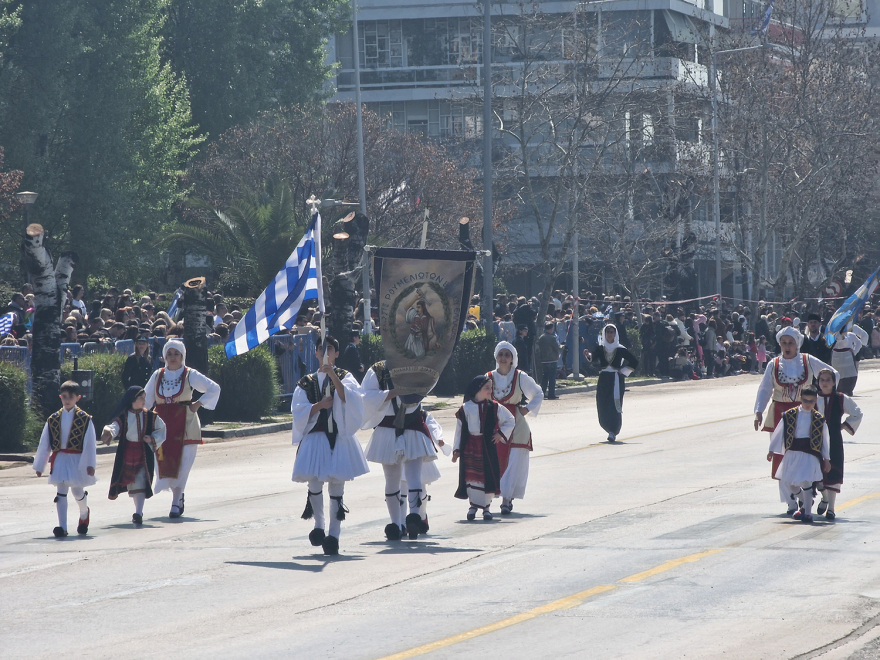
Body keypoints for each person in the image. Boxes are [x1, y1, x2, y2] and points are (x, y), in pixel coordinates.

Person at [291, 336, 367, 555]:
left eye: (330, 349)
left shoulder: (346, 377)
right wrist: (319, 405)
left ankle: (334, 535)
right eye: (321, 349)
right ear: (315, 353)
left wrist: (333, 376)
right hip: (316, 437)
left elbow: (351, 399)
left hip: (339, 438)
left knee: (336, 486)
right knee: (314, 483)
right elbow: (299, 410)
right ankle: (319, 525)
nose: (325, 352)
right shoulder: (306, 382)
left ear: (336, 354)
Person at [754, 326, 836, 511]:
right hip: (780, 413)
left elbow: (831, 374)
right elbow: (765, 388)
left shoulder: (807, 360)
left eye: (790, 343)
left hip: (806, 412)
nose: (787, 346)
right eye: (783, 343)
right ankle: (791, 501)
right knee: (781, 456)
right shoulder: (774, 364)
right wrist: (759, 410)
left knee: (809, 454)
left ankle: (809, 493)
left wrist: (826, 397)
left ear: (797, 344)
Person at [360, 360, 442, 540]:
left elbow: (430, 384)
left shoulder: (418, 363)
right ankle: (397, 523)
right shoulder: (378, 369)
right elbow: (366, 397)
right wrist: (394, 393)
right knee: (393, 478)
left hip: (412, 422)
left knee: (413, 476)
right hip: (388, 427)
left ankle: (411, 517)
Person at [144, 339, 221, 519]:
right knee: (164, 462)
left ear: (182, 356)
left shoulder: (189, 374)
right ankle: (177, 496)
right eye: (169, 354)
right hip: (162, 424)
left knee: (183, 463)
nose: (172, 357)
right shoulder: (157, 375)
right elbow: (146, 399)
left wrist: (198, 404)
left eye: (176, 354)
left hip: (185, 423)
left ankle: (176, 501)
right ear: (164, 356)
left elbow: (213, 388)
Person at [32, 381, 98, 537]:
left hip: (77, 459)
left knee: (77, 491)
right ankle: (62, 526)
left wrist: (90, 464)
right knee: (61, 492)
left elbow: (90, 443)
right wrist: (40, 465)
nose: (67, 400)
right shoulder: (53, 419)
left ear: (78, 398)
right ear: (60, 397)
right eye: (64, 397)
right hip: (60, 458)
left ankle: (84, 514)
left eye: (71, 397)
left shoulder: (85, 419)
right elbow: (45, 443)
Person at [487, 341, 543, 515]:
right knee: (491, 460)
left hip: (516, 424)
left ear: (512, 358)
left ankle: (507, 499)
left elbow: (538, 393)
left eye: (507, 355)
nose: (503, 358)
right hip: (494, 423)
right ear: (496, 357)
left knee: (513, 462)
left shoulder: (520, 377)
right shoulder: (488, 376)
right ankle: (486, 499)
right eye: (501, 354)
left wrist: (525, 410)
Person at [452, 375, 515, 521]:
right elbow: (459, 430)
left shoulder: (494, 406)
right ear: (477, 389)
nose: (490, 391)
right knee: (472, 477)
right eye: (487, 388)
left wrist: (500, 434)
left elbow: (510, 420)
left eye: (491, 388)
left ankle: (486, 507)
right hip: (470, 447)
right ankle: (473, 505)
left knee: (488, 475)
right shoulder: (466, 408)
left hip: (487, 447)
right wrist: (456, 450)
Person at [101, 386, 167, 524]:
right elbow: (114, 427)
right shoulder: (124, 416)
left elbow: (162, 429)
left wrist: (152, 438)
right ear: (132, 400)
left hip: (143, 453)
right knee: (133, 484)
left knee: (141, 481)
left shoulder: (150, 416)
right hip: (127, 452)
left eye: (144, 398)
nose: (144, 401)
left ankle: (138, 513)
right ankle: (138, 511)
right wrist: (108, 432)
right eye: (140, 398)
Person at [767, 387, 830, 523]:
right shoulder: (790, 415)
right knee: (791, 485)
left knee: (807, 482)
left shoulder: (819, 419)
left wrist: (827, 459)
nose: (808, 403)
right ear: (800, 399)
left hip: (810, 453)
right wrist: (772, 450)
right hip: (793, 452)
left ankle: (807, 512)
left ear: (816, 401)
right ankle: (806, 501)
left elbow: (825, 440)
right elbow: (779, 432)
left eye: (811, 401)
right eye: (805, 400)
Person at [814, 368, 862, 520]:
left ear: (834, 382)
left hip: (834, 439)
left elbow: (857, 412)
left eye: (828, 380)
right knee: (815, 472)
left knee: (834, 470)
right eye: (822, 380)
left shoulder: (841, 398)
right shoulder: (813, 398)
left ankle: (832, 508)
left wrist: (844, 426)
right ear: (818, 382)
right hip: (815, 440)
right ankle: (825, 498)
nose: (825, 383)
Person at [584, 324, 639, 442]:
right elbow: (593, 357)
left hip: (616, 378)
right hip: (604, 378)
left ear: (615, 334)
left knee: (614, 404)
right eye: (607, 332)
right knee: (603, 403)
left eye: (612, 332)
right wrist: (588, 355)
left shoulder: (620, 348)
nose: (609, 334)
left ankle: (613, 431)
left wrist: (623, 371)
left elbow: (634, 361)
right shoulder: (601, 348)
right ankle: (607, 427)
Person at [830, 327, 865, 396]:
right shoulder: (832, 336)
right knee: (837, 374)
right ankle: (838, 389)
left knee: (850, 374)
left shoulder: (850, 335)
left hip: (848, 358)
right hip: (837, 358)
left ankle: (848, 389)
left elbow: (859, 343)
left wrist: (854, 352)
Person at [536, 321, 560, 399]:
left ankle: (542, 393)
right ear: (551, 329)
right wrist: (561, 347)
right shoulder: (552, 338)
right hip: (552, 360)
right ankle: (551, 394)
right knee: (552, 378)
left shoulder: (541, 338)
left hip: (544, 360)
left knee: (545, 378)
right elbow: (557, 348)